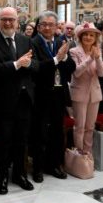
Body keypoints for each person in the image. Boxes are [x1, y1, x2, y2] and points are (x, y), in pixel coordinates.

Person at [0, 7, 39, 194]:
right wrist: (16, 64)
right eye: (4, 19)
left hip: (24, 99)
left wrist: (29, 64)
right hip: (3, 100)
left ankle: (19, 174)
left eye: (11, 20)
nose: (8, 23)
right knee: (4, 140)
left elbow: (36, 65)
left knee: (22, 140)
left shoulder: (25, 40)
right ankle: (3, 176)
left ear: (17, 22)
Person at [30, 11, 74, 182]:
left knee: (57, 131)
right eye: (44, 24)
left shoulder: (61, 42)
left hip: (59, 93)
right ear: (39, 27)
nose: (47, 27)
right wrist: (56, 59)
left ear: (57, 27)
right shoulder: (32, 43)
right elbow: (37, 68)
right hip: (41, 94)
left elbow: (71, 67)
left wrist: (64, 59)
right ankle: (38, 168)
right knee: (39, 133)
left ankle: (54, 164)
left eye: (51, 24)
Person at [69, 23, 103, 155]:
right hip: (79, 93)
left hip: (94, 93)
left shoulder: (97, 51)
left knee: (90, 127)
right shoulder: (74, 52)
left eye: (91, 35)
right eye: (86, 34)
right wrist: (90, 59)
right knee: (80, 127)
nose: (88, 37)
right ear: (80, 36)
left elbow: (102, 73)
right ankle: (79, 155)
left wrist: (98, 58)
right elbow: (77, 73)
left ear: (95, 38)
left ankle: (87, 154)